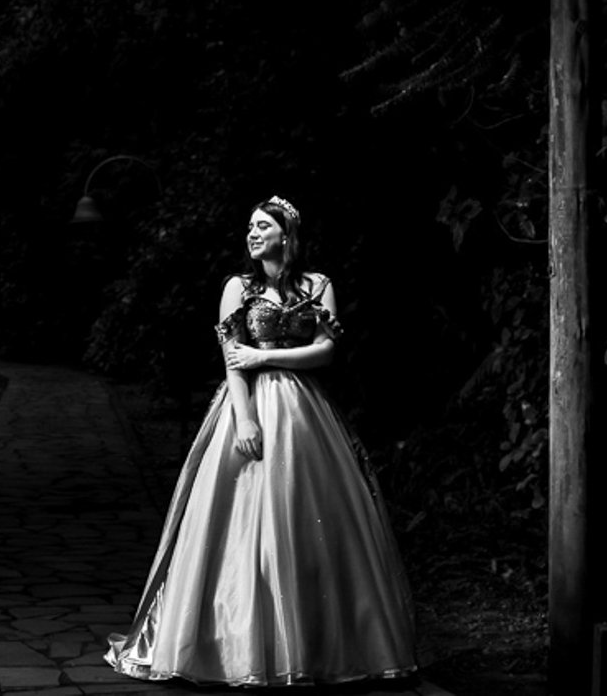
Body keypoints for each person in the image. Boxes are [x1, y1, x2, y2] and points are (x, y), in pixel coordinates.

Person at [104, 195, 417, 686]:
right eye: (249, 226)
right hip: (247, 406)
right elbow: (232, 361)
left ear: (286, 235)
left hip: (304, 412)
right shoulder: (238, 287)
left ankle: (322, 647)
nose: (252, 233)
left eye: (262, 226)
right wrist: (245, 419)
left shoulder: (318, 285)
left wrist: (265, 357)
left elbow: (325, 352)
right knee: (240, 519)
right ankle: (231, 646)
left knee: (307, 517)